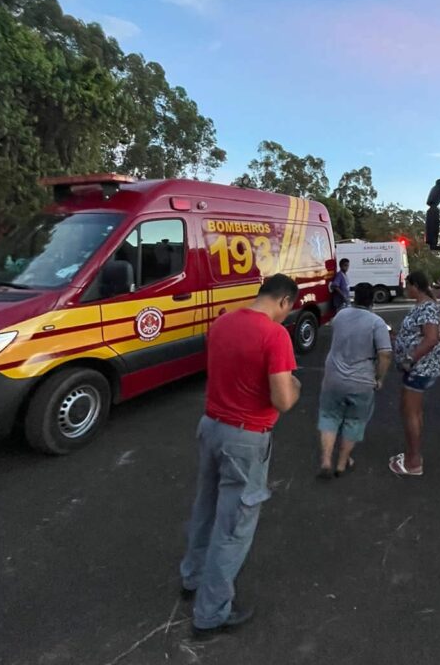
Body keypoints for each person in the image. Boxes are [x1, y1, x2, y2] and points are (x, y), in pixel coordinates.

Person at [179, 274, 301, 639]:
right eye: (288, 309)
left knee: (206, 507)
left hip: (211, 426)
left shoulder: (223, 322)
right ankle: (210, 614)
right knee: (234, 526)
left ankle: (192, 577)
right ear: (284, 302)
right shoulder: (275, 334)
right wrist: (295, 384)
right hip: (245, 439)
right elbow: (283, 400)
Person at [317, 282, 393, 479]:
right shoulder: (377, 323)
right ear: (372, 300)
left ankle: (326, 460)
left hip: (333, 378)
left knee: (329, 416)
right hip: (361, 382)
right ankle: (342, 464)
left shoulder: (340, 315)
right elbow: (385, 354)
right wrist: (379, 378)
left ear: (354, 297)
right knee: (354, 421)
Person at [389, 271, 440, 477]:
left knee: (409, 412)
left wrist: (409, 358)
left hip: (419, 369)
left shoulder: (427, 307)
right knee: (414, 411)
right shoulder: (423, 305)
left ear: (415, 286)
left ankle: (413, 462)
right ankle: (413, 454)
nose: (405, 289)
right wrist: (396, 337)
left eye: (407, 285)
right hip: (418, 368)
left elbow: (431, 338)